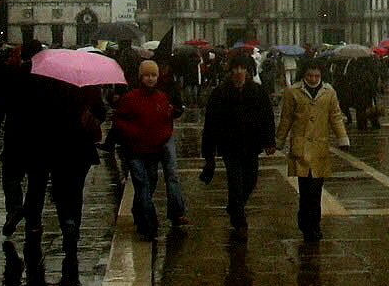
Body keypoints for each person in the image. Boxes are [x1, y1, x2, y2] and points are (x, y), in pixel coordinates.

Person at [23, 72, 107, 264]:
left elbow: (36, 115)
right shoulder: (90, 86)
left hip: (55, 146)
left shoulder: (48, 85)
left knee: (60, 188)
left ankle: (66, 222)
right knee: (76, 188)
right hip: (82, 148)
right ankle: (73, 224)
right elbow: (101, 113)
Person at [200, 54, 276, 238]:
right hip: (229, 146)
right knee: (235, 182)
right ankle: (239, 221)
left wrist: (269, 141)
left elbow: (267, 118)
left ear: (248, 71)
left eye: (242, 68)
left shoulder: (258, 91)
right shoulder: (220, 93)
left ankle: (235, 205)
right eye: (235, 68)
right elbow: (210, 124)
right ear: (230, 71)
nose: (238, 72)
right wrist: (209, 153)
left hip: (251, 145)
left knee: (251, 180)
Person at [277, 62, 350, 242]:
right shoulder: (292, 92)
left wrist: (343, 138)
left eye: (316, 76)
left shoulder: (329, 92)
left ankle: (314, 225)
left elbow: (335, 116)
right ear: (304, 75)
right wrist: (278, 140)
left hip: (319, 148)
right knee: (305, 190)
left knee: (316, 190)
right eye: (310, 75)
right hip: (301, 148)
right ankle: (305, 223)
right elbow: (286, 118)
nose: (313, 79)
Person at [112, 60, 186, 239]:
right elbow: (119, 121)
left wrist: (163, 134)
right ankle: (149, 221)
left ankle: (139, 211)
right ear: (140, 77)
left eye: (153, 75)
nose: (150, 78)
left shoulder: (161, 97)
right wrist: (132, 134)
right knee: (141, 183)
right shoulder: (130, 98)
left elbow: (165, 121)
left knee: (150, 182)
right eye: (147, 75)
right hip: (135, 150)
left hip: (153, 150)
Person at [0, 40, 44, 238]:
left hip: (16, 133)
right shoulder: (46, 78)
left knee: (10, 176)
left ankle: (14, 208)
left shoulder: (12, 74)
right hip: (40, 137)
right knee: (37, 181)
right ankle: (34, 220)